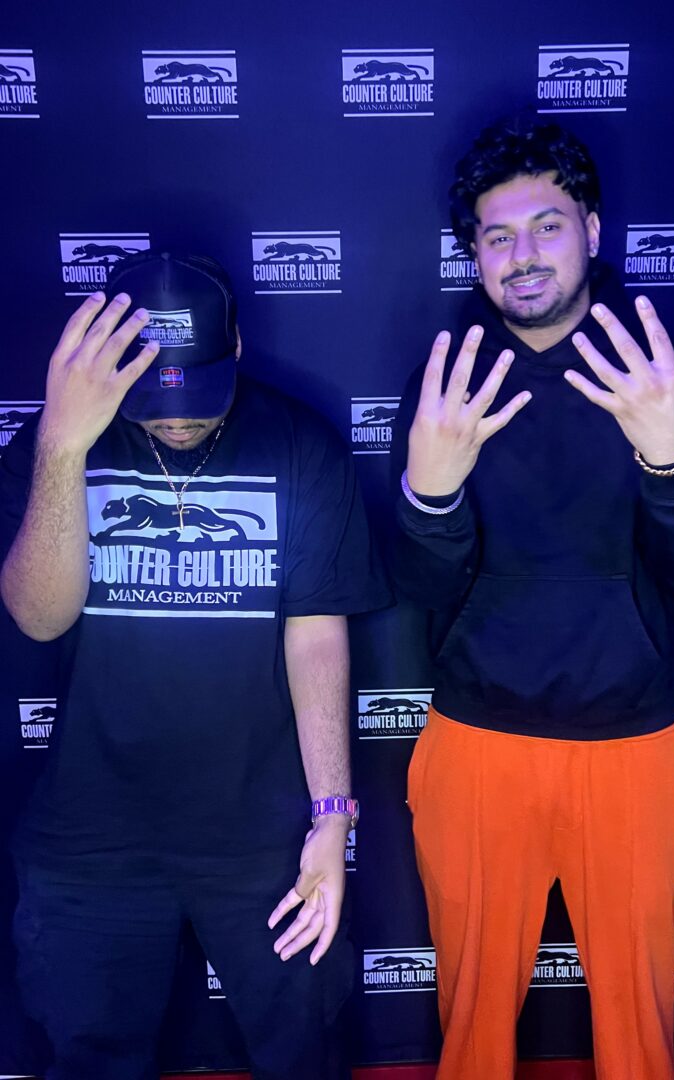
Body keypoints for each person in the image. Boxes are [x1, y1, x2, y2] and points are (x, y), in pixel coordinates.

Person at [390, 118, 674, 1079]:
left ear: (590, 227)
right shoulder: (447, 383)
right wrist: (432, 495)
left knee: (640, 1038)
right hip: (476, 742)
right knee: (471, 1031)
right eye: (498, 236)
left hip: (632, 745)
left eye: (547, 226)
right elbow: (419, 592)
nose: (524, 256)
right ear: (475, 254)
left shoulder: (662, 374)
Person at [0, 250, 389, 1080]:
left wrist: (332, 817)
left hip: (259, 829)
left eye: (197, 400)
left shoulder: (299, 444)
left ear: (236, 346)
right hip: (93, 831)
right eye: (155, 402)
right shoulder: (55, 441)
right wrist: (64, 448)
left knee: (306, 1053)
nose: (177, 423)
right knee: (89, 1060)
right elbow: (38, 616)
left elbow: (316, 635)